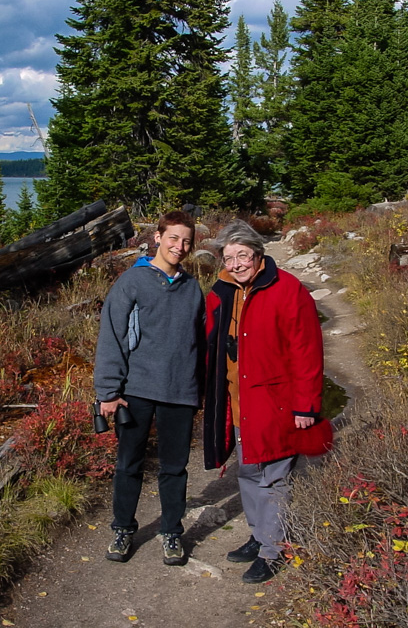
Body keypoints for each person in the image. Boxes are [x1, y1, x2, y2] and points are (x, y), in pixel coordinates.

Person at [203, 219, 333, 583]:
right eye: (229, 258)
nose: (236, 264)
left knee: (273, 477)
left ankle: (274, 549)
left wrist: (306, 406)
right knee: (249, 471)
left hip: (276, 402)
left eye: (242, 255)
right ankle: (260, 535)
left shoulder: (287, 289)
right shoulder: (224, 291)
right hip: (240, 402)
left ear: (258, 255)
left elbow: (307, 350)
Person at [94, 210, 205, 566]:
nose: (180, 246)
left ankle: (172, 532)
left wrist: (201, 388)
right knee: (129, 464)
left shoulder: (192, 289)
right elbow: (111, 337)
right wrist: (108, 392)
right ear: (158, 237)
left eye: (186, 241)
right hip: (137, 389)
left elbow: (201, 344)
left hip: (179, 391)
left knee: (175, 467)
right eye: (173, 238)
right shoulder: (132, 281)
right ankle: (123, 529)